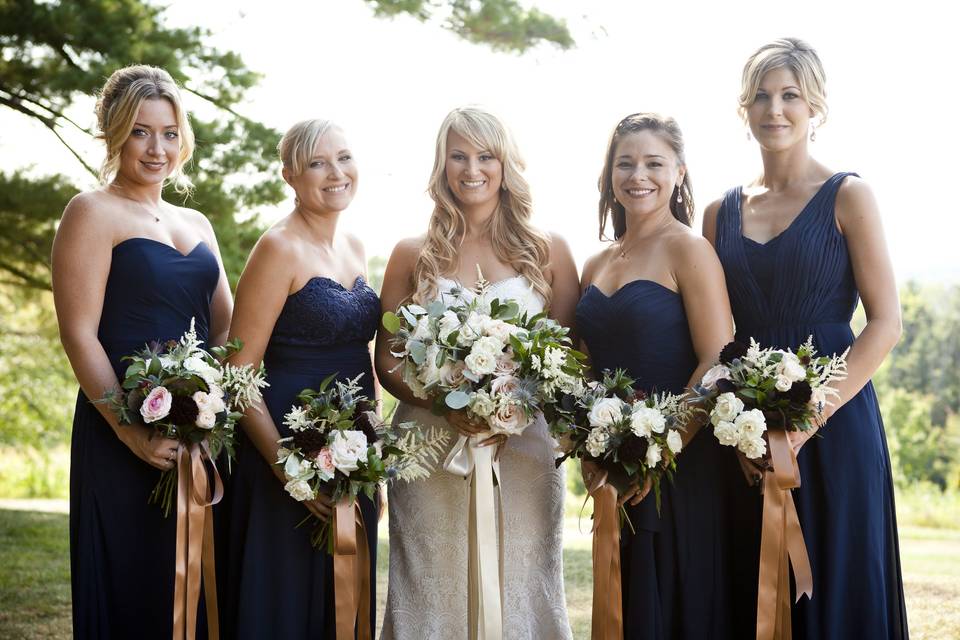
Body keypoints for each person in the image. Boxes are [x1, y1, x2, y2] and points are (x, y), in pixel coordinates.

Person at [702, 37, 908, 639]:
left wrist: (806, 420)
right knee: (752, 588)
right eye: (762, 96)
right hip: (743, 435)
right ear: (745, 109)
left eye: (790, 94)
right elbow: (716, 338)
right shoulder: (719, 213)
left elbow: (886, 323)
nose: (775, 109)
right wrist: (741, 429)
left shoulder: (849, 195)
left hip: (835, 425)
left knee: (838, 580)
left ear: (815, 104)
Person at [375, 106, 579, 639]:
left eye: (486, 156)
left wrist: (511, 407)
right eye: (458, 156)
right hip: (428, 449)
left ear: (505, 164)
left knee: (523, 581)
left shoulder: (549, 251)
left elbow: (570, 354)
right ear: (442, 165)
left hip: (525, 451)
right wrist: (447, 401)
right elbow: (388, 358)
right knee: (431, 586)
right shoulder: (411, 254)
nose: (472, 169)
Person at [52, 64, 232, 638]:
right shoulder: (90, 212)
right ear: (114, 133)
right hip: (120, 433)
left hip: (199, 436)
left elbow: (228, 331)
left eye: (170, 133)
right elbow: (79, 333)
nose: (158, 148)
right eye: (140, 131)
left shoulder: (198, 221)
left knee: (199, 593)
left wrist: (210, 410)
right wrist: (130, 431)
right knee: (132, 588)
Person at [577, 112, 739, 639]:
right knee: (623, 603)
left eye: (653, 163)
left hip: (680, 464)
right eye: (625, 164)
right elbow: (582, 362)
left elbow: (717, 358)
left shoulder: (688, 249)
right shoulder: (595, 263)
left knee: (673, 603)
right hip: (612, 462)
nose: (637, 175)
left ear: (679, 173)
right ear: (609, 175)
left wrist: (660, 449)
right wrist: (588, 447)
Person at [220, 119, 379, 638]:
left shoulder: (356, 246)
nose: (336, 173)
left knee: (345, 600)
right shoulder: (278, 248)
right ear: (290, 175)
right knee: (285, 604)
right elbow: (237, 373)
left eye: (344, 157)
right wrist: (289, 468)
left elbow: (364, 356)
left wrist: (375, 448)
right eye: (317, 163)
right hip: (284, 452)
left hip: (355, 452)